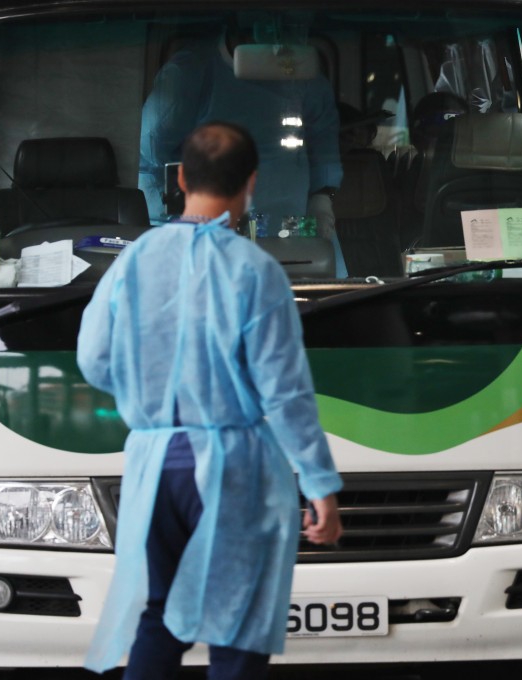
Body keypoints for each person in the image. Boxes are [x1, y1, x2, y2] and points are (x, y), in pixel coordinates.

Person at [79, 121, 343, 679]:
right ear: (251, 183)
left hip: (154, 467)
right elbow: (286, 391)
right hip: (232, 469)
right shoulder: (256, 271)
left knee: (158, 618)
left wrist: (149, 397)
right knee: (238, 625)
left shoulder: (133, 259)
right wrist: (319, 485)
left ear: (179, 178)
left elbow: (94, 358)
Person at [138, 11, 346, 276]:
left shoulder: (303, 74)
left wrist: (322, 196)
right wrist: (169, 229)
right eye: (278, 29)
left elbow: (324, 136)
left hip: (295, 230)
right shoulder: (191, 73)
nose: (283, 44)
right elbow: (149, 156)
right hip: (214, 232)